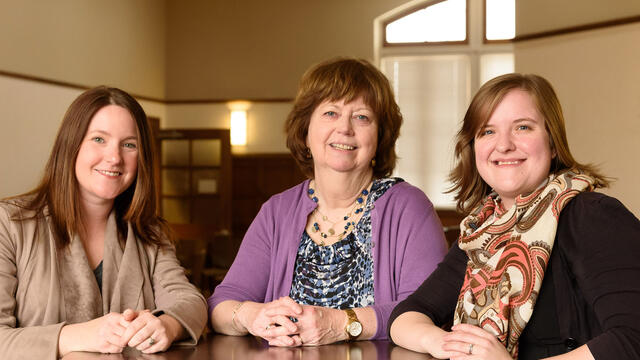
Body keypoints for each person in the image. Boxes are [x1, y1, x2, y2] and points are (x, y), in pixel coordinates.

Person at [388, 73, 640, 359]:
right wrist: (448, 345)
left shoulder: (591, 215)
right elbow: (406, 315)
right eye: (487, 131)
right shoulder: (483, 230)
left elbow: (632, 339)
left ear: (553, 143)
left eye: (522, 127)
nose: (504, 144)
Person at [208, 57, 448, 346]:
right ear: (305, 131)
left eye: (362, 117)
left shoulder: (409, 207)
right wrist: (251, 315)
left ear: (380, 137)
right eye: (331, 113)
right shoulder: (277, 211)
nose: (345, 128)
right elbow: (221, 305)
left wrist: (342, 323)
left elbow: (429, 309)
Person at [0, 86, 207, 359]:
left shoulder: (149, 232)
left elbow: (191, 302)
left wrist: (168, 325)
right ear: (70, 144)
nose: (114, 157)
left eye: (129, 144)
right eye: (99, 139)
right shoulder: (9, 224)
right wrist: (79, 335)